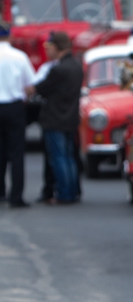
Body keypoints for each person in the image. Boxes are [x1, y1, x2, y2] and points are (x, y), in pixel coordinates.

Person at [25, 31, 83, 204]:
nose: (48, 51)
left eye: (50, 47)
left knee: (58, 158)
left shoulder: (57, 69)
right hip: (70, 117)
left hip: (55, 118)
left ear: (57, 47)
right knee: (69, 157)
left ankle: (64, 194)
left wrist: (29, 89)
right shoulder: (76, 66)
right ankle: (72, 191)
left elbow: (39, 88)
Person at [0, 22, 35, 208]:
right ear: (10, 36)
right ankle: (16, 197)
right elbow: (30, 86)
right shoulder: (19, 57)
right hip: (14, 107)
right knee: (16, 153)